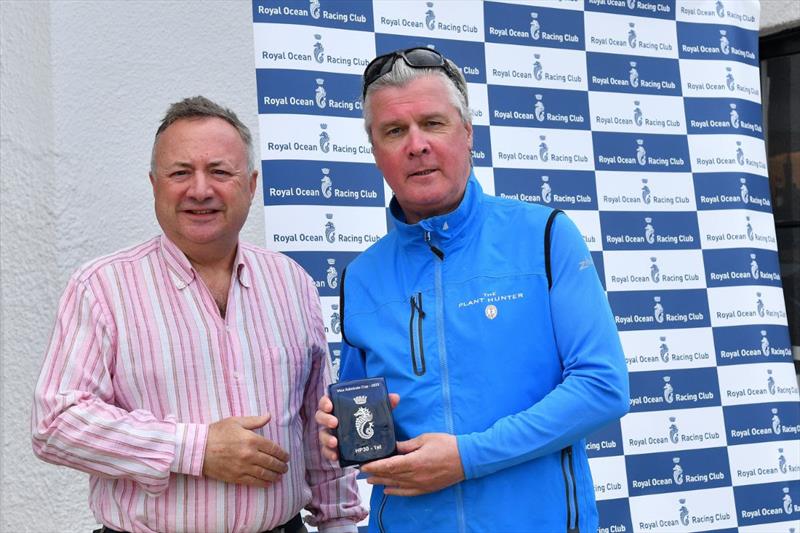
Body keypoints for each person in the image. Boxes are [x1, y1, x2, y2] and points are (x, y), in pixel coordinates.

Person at [315, 48, 630, 532]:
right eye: (394, 131)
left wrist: (467, 457)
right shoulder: (361, 276)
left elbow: (602, 388)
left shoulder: (545, 235)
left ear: (468, 134)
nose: (415, 145)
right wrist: (342, 432)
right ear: (375, 151)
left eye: (433, 123)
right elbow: (368, 418)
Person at [32, 96, 366, 533]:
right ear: (154, 184)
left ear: (251, 184)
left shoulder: (293, 283)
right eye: (180, 172)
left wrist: (339, 522)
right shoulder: (101, 288)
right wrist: (195, 448)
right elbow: (56, 423)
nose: (200, 189)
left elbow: (317, 428)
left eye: (220, 171)